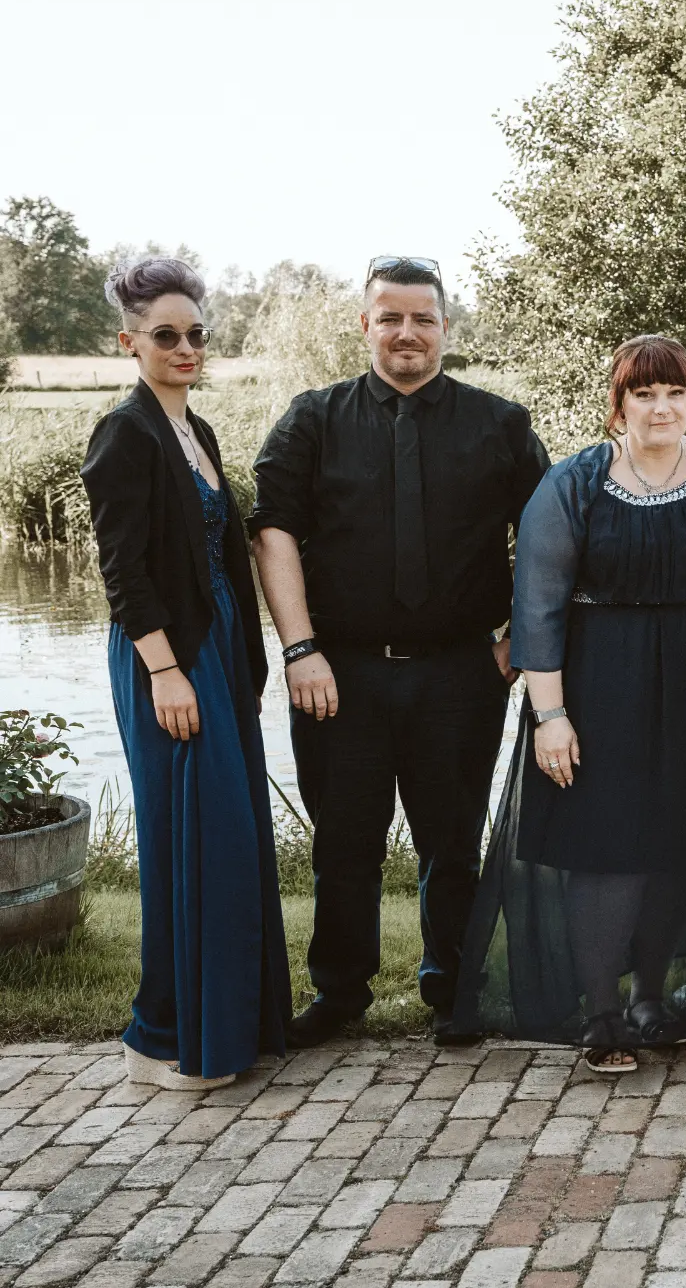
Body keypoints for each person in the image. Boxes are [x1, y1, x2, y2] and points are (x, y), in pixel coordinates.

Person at [251, 256, 550, 1047]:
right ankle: (341, 992)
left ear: (446, 327)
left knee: (452, 841)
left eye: (423, 318)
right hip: (338, 669)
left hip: (461, 667)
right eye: (391, 316)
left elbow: (548, 534)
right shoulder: (313, 419)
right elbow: (271, 528)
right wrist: (299, 646)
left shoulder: (501, 423)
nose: (407, 332)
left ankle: (452, 986)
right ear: (366, 325)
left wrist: (522, 634)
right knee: (342, 840)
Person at [450, 337, 686, 1073]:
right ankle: (602, 1011)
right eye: (644, 394)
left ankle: (654, 997)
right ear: (618, 405)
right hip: (599, 683)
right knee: (607, 845)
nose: (661, 407)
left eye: (674, 392)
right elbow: (539, 604)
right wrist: (550, 715)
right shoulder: (575, 482)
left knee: (682, 841)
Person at [80, 257, 291, 1088]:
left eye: (196, 333)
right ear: (127, 341)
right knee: (191, 839)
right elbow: (123, 568)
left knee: (232, 839)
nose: (185, 347)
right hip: (165, 653)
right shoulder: (123, 433)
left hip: (218, 644)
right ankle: (161, 1035)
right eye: (166, 335)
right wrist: (166, 671)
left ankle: (231, 1024)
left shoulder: (195, 431)